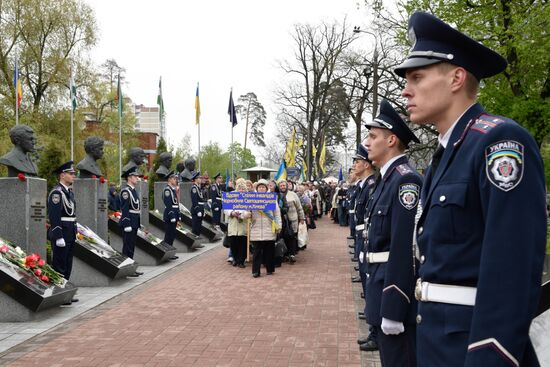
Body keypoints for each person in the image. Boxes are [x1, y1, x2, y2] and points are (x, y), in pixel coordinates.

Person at [395, 12, 546, 366]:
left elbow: (513, 264)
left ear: (456, 78)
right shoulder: (446, 155)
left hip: (475, 349)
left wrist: (491, 356)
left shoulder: (499, 141)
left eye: (417, 77)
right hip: (439, 341)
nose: (406, 89)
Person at [363, 99, 422, 366]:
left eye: (373, 136)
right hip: (379, 282)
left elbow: (405, 246)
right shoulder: (386, 180)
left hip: (393, 290)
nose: (367, 142)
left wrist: (396, 305)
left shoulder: (405, 180)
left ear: (391, 141)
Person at [351, 144, 378, 352]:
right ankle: (371, 322)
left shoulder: (371, 185)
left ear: (367, 165)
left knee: (370, 279)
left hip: (366, 235)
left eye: (358, 162)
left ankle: (375, 333)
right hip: (362, 233)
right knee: (365, 276)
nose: (354, 166)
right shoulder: (365, 185)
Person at [47, 161, 79, 305]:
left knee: (68, 264)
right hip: (62, 234)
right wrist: (58, 236)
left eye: (73, 173)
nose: (73, 176)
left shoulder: (69, 192)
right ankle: (59, 294)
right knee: (59, 265)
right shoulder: (56, 193)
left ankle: (65, 293)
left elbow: (72, 215)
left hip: (70, 232)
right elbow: (54, 217)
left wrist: (75, 231)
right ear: (62, 175)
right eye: (71, 173)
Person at [248, 179, 281, 277]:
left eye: (263, 187)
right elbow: (246, 211)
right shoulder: (251, 199)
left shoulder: (271, 199)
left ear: (266, 188)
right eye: (259, 187)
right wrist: (246, 214)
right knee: (256, 252)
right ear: (257, 189)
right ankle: (255, 271)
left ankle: (270, 269)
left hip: (268, 228)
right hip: (256, 228)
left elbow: (277, 213)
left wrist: (279, 225)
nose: (261, 188)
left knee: (269, 251)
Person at [119, 166, 143, 277]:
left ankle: (131, 268)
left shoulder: (133, 191)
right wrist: (127, 223)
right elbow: (125, 209)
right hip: (129, 223)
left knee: (132, 246)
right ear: (129, 178)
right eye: (135, 176)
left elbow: (136, 209)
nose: (137, 178)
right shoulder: (126, 192)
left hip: (134, 222)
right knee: (127, 247)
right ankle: (126, 270)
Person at [278, 180, 304, 264]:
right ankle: (284, 254)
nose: (282, 187)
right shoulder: (276, 195)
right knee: (282, 237)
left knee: (292, 237)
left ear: (287, 186)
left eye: (284, 185)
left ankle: (292, 254)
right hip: (280, 220)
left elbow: (299, 207)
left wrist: (302, 218)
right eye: (281, 186)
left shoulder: (293, 194)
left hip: (292, 220)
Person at [225, 180, 248, 268]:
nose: (241, 190)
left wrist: (242, 215)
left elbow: (249, 210)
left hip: (243, 224)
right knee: (233, 243)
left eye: (243, 189)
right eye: (240, 188)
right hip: (233, 223)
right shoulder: (231, 196)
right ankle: (235, 258)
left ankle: (241, 261)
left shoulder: (248, 198)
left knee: (242, 243)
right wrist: (232, 212)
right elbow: (226, 208)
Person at [162, 171, 179, 256]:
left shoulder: (172, 190)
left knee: (172, 235)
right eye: (173, 178)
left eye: (175, 178)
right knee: (168, 235)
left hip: (174, 214)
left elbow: (176, 203)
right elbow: (168, 204)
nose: (175, 180)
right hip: (169, 215)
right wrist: (172, 215)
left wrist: (178, 215)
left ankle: (170, 253)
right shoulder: (167, 190)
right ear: (169, 179)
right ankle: (167, 253)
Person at [190, 171, 205, 238]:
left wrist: (203, 210)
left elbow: (201, 200)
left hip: (200, 208)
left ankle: (197, 239)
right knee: (195, 226)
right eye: (199, 178)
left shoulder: (198, 188)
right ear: (195, 179)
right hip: (196, 210)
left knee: (199, 226)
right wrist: (198, 210)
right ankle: (194, 239)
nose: (200, 179)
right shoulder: (194, 188)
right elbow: (194, 200)